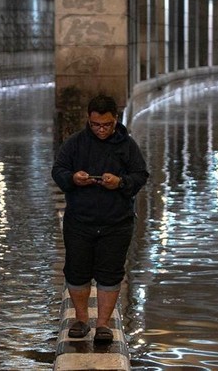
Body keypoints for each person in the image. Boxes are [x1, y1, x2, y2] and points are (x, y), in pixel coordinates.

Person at [51, 94, 149, 343]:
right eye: (96, 125)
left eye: (106, 125)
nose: (101, 130)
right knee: (77, 271)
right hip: (80, 222)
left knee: (110, 274)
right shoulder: (74, 144)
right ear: (89, 120)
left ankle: (103, 324)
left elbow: (140, 175)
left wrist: (121, 182)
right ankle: (81, 319)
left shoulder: (127, 146)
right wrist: (73, 178)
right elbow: (58, 170)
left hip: (116, 222)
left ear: (115, 120)